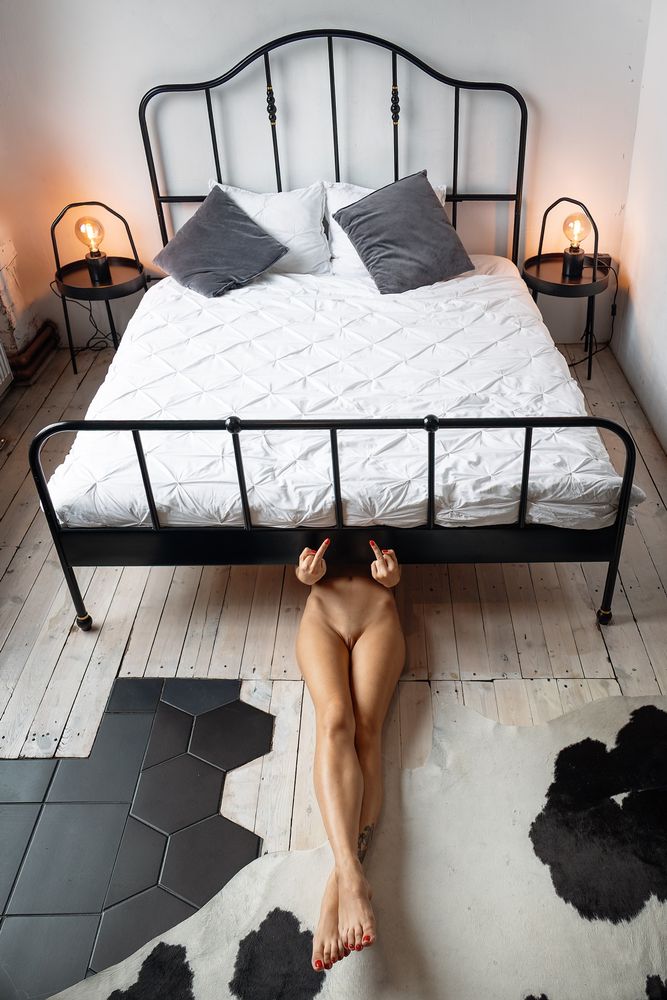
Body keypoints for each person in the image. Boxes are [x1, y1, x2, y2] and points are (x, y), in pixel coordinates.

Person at [294, 537, 406, 973]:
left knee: (366, 732)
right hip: (322, 612)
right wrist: (304, 574)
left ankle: (337, 889)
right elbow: (295, 553)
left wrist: (394, 577)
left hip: (377, 612)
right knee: (334, 720)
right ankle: (352, 875)